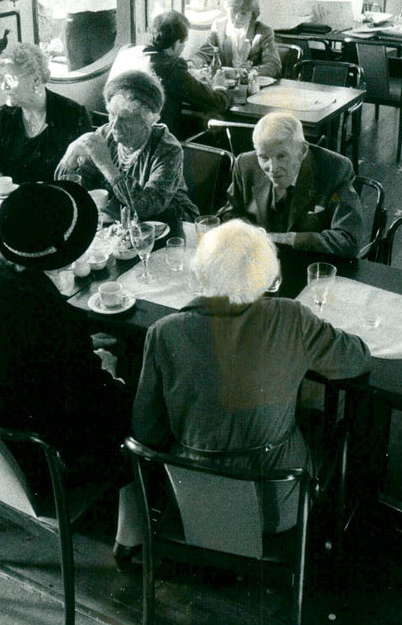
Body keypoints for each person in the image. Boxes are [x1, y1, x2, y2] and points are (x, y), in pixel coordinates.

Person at [123, 220, 370, 542]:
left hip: (192, 498)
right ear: (267, 278)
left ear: (200, 274)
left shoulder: (164, 332)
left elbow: (146, 430)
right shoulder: (292, 316)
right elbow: (357, 358)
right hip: (276, 503)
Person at [0, 180, 129, 483]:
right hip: (39, 459)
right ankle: (134, 511)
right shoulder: (51, 313)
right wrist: (107, 368)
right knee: (131, 396)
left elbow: (23, 348)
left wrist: (78, 347)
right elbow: (91, 398)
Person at [56, 70, 199, 230]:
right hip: (122, 224)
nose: (114, 125)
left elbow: (148, 207)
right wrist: (71, 155)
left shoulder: (167, 149)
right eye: (111, 114)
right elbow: (68, 190)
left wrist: (106, 165)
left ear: (147, 120)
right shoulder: (105, 134)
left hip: (171, 225)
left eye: (124, 118)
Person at [218, 112, 364, 256]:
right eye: (264, 157)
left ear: (302, 150)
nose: (273, 168)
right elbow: (229, 216)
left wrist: (287, 239)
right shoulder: (245, 164)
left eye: (281, 156)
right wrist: (250, 233)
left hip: (310, 264)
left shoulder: (335, 169)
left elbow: (349, 240)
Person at [108, 9, 230, 137]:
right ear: (177, 44)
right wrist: (219, 86)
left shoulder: (126, 52)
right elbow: (218, 104)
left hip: (117, 133)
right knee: (215, 130)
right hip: (154, 141)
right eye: (185, 41)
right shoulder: (171, 67)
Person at [0, 42, 90, 184]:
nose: (4, 86)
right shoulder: (2, 117)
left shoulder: (73, 115)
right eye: (1, 79)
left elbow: (85, 177)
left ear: (36, 79)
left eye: (10, 79)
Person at [194, 0, 281, 79]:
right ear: (227, 8)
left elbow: (273, 66)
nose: (237, 18)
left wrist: (246, 72)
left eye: (244, 13)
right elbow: (204, 54)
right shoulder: (219, 27)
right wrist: (190, 64)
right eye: (234, 11)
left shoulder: (263, 31)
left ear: (252, 14)